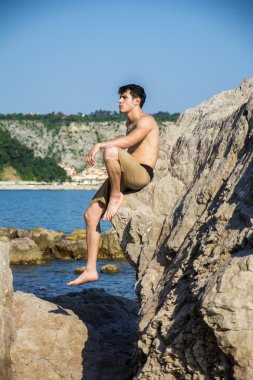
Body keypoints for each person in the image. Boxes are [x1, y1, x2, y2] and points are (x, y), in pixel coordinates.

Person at [67, 84, 160, 286]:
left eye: (124, 97)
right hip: (124, 175)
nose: (119, 101)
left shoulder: (147, 120)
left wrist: (100, 144)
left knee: (110, 150)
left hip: (141, 174)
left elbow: (128, 142)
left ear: (137, 101)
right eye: (120, 97)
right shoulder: (129, 122)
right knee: (90, 215)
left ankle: (116, 196)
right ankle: (90, 269)